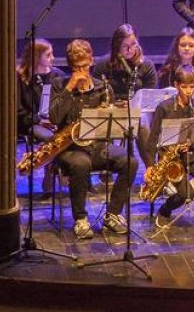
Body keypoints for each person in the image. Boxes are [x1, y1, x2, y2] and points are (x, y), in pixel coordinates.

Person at [51, 39, 137, 239]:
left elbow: (112, 127)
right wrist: (70, 88)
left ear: (91, 61)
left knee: (130, 161)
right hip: (69, 148)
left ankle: (113, 214)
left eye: (85, 65)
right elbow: (54, 118)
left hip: (97, 145)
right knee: (81, 164)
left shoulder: (102, 87)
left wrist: (118, 115)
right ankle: (80, 219)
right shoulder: (59, 85)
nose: (81, 71)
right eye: (76, 67)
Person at [143, 65, 194, 232]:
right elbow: (152, 139)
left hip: (190, 154)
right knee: (186, 195)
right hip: (170, 158)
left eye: (192, 87)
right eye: (184, 87)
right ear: (176, 85)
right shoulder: (164, 107)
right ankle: (166, 209)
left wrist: (191, 143)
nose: (188, 91)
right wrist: (149, 165)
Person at [93, 23, 158, 101]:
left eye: (133, 44)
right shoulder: (102, 65)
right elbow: (96, 94)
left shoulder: (147, 65)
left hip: (138, 111)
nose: (129, 49)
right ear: (117, 46)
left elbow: (152, 95)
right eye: (125, 46)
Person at [16, 39, 64, 142]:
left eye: (52, 54)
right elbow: (19, 111)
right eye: (48, 55)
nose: (53, 58)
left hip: (54, 120)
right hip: (32, 123)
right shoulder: (20, 77)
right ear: (36, 57)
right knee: (51, 137)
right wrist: (39, 120)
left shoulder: (57, 74)